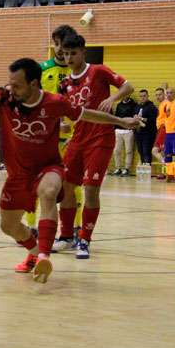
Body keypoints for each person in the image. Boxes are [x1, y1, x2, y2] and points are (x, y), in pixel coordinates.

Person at [0, 58, 142, 283]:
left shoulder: (54, 102)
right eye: (10, 83)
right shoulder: (4, 97)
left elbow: (88, 114)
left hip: (48, 167)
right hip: (18, 174)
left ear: (34, 84)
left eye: (17, 85)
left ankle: (44, 256)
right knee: (8, 226)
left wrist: (120, 120)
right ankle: (33, 252)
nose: (12, 89)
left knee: (49, 192)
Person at [57, 32, 134, 258]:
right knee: (66, 188)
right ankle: (66, 237)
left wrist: (112, 99)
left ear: (83, 51)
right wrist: (61, 124)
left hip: (100, 138)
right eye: (66, 54)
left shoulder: (98, 71)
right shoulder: (65, 84)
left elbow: (128, 86)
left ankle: (84, 239)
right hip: (77, 139)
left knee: (91, 189)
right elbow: (64, 112)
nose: (69, 58)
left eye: (73, 53)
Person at [40, 25, 85, 249]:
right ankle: (36, 227)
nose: (60, 49)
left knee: (73, 185)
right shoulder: (40, 70)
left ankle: (74, 229)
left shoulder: (79, 73)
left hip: (72, 139)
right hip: (46, 139)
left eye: (64, 45)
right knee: (41, 184)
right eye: (56, 44)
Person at [111, 95, 138, 176]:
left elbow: (134, 118)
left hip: (128, 131)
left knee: (129, 151)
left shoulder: (134, 105)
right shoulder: (119, 105)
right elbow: (116, 117)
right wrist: (115, 128)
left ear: (129, 95)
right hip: (118, 130)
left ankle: (126, 168)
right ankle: (118, 168)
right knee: (116, 150)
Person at [135, 89, 159, 166]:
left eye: (144, 96)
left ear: (148, 96)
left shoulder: (152, 107)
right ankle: (143, 168)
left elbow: (153, 120)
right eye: (141, 96)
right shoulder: (137, 107)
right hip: (139, 133)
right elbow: (134, 116)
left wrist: (142, 119)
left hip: (148, 134)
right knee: (140, 151)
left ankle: (147, 169)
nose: (142, 98)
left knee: (146, 152)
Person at [151, 87, 170, 175]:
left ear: (164, 95)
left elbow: (170, 116)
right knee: (163, 151)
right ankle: (164, 173)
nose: (158, 97)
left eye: (160, 94)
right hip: (161, 129)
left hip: (164, 129)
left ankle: (166, 165)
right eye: (156, 95)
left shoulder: (166, 103)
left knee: (154, 151)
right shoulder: (162, 104)